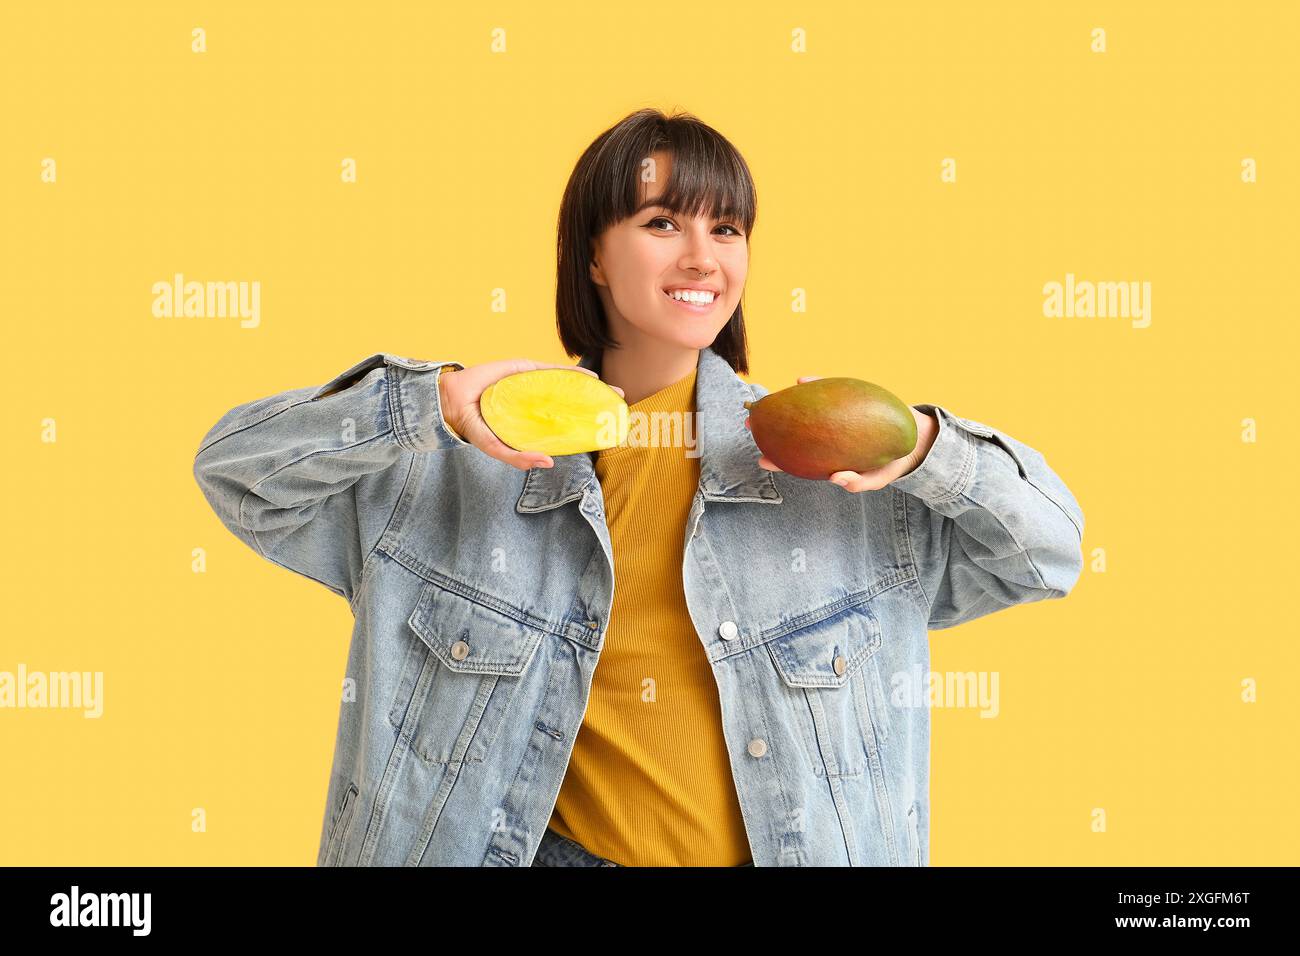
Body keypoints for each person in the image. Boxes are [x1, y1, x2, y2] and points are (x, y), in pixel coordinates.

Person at [192, 108, 1085, 867]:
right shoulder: (451, 466)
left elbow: (1049, 554)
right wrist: (422, 403)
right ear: (593, 256)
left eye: (725, 229)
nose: (703, 257)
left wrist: (931, 449)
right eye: (662, 224)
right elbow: (237, 473)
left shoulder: (841, 474)